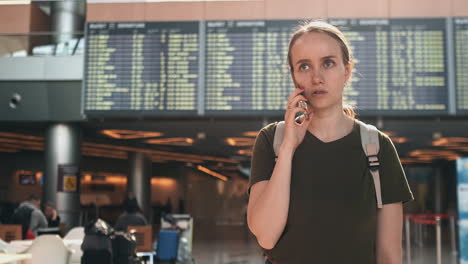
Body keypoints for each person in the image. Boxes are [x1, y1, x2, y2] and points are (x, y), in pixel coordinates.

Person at [247, 21, 413, 264]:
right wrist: (287, 149)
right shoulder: (272, 141)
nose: (317, 77)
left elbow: (389, 257)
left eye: (328, 63)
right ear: (293, 76)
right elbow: (266, 237)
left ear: (347, 71)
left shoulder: (377, 147)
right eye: (304, 66)